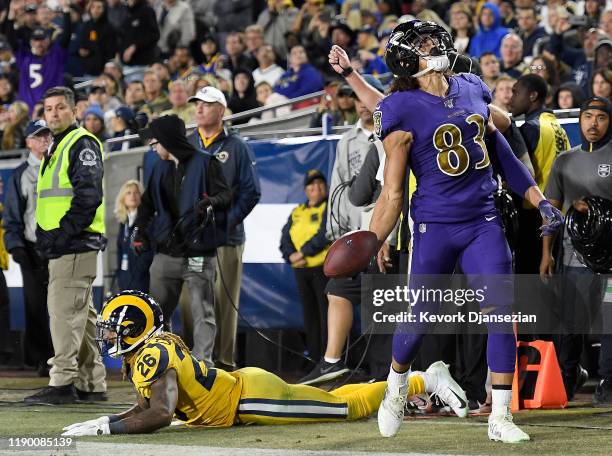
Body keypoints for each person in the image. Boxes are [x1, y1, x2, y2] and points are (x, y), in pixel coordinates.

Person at [327, 19, 563, 442]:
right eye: (423, 42)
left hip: (483, 222)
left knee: (501, 315)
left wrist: (538, 198)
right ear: (406, 56)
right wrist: (375, 239)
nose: (434, 44)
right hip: (434, 225)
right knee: (420, 320)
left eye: (434, 37)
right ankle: (396, 386)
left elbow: (502, 153)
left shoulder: (472, 85)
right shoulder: (400, 108)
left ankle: (501, 416)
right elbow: (394, 193)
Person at [61, 290, 469, 435]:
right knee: (331, 399)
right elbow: (149, 406)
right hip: (243, 388)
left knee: (345, 408)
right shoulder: (148, 352)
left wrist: (110, 430)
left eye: (114, 329)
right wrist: (111, 420)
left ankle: (423, 380)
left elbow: (162, 414)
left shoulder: (151, 354)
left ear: (136, 328)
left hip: (248, 401)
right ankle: (420, 379)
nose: (109, 337)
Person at [299, 74, 385, 386]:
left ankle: (382, 373)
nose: (363, 106)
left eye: (367, 98)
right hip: (356, 233)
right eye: (358, 100)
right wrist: (336, 233)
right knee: (337, 289)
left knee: (381, 302)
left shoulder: (394, 133)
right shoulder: (347, 140)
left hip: (386, 230)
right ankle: (331, 362)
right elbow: (338, 185)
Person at [24, 87, 107, 404]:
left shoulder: (80, 143)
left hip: (73, 245)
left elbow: (88, 198)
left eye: (60, 108)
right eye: (49, 109)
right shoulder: (58, 146)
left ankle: (61, 383)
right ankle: (91, 382)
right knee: (82, 317)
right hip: (66, 244)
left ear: (74, 110)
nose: (54, 113)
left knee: (62, 314)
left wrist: (61, 235)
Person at [133, 115, 231, 363]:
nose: (153, 148)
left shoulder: (207, 163)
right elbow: (146, 205)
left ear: (167, 140)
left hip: (199, 251)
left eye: (155, 142)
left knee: (203, 313)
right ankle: (162, 361)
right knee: (156, 314)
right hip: (166, 253)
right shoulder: (158, 168)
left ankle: (202, 366)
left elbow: (226, 196)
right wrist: (139, 231)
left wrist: (211, 202)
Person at [541, 96, 612, 404]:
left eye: (600, 117)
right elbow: (551, 211)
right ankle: (567, 379)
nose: (593, 123)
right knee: (571, 324)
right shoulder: (564, 160)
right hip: (574, 258)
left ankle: (608, 383)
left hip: (610, 261)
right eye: (587, 116)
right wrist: (547, 252)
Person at [187, 86, 261, 371]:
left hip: (226, 239)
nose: (199, 109)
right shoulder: (188, 143)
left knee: (224, 303)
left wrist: (226, 222)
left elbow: (251, 191)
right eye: (197, 104)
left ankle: (223, 364)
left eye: (206, 104)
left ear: (221, 109)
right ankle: (197, 364)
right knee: (192, 300)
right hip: (193, 239)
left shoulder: (237, 146)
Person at [3, 120, 53, 376]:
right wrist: (16, 248)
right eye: (38, 136)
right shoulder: (20, 174)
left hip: (59, 247)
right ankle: (43, 358)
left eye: (47, 134)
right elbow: (12, 216)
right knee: (35, 306)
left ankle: (65, 357)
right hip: (32, 250)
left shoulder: (60, 166)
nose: (44, 139)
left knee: (62, 306)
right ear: (28, 142)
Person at [509, 74, 571, 274]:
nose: (511, 98)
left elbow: (523, 174)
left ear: (533, 95)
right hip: (559, 214)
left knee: (529, 281)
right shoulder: (557, 126)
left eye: (516, 92)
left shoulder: (530, 128)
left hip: (535, 215)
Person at [280, 169, 330, 362]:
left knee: (326, 315)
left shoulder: (328, 208)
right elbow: (285, 238)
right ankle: (314, 359)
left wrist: (303, 253)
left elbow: (325, 234)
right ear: (306, 190)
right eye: (311, 185)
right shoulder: (297, 211)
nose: (315, 188)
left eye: (319, 184)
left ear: (325, 188)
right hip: (300, 270)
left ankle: (329, 359)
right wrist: (290, 255)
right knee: (310, 316)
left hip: (322, 269)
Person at [4, 2, 72, 112]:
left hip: (52, 110)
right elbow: (11, 38)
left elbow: (66, 36)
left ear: (48, 41)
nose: (39, 43)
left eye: (42, 40)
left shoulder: (56, 56)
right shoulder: (24, 57)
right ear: (31, 42)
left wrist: (66, 10)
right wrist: (11, 14)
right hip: (28, 112)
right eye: (36, 40)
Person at [114, 180, 152, 293]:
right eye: (128, 193)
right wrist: (120, 275)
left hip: (142, 278)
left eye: (136, 192)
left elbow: (150, 250)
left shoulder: (146, 221)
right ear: (123, 198)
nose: (133, 196)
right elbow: (120, 251)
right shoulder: (123, 223)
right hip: (125, 278)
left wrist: (140, 270)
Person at [78, 0, 117, 77]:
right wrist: (82, 51)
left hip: (103, 72)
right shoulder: (86, 25)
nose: (95, 10)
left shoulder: (110, 28)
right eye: (93, 7)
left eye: (99, 7)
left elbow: (111, 52)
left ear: (104, 9)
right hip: (87, 70)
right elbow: (82, 44)